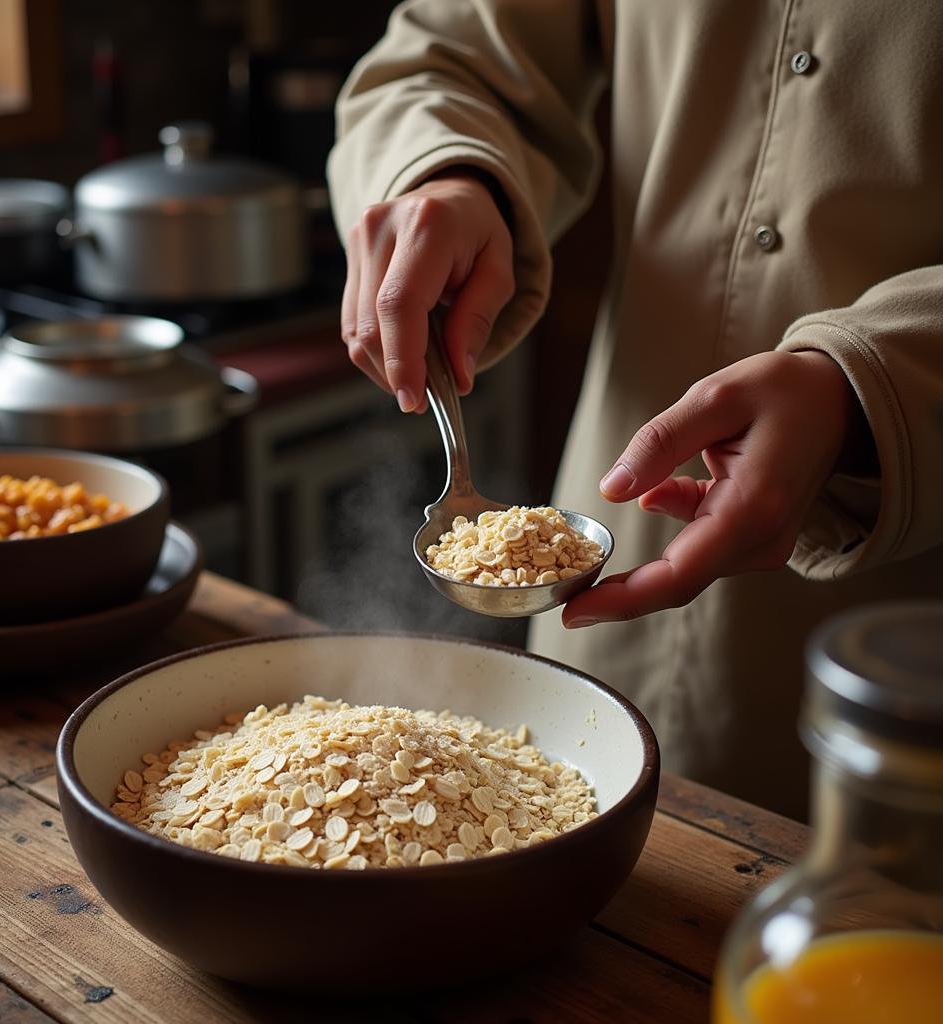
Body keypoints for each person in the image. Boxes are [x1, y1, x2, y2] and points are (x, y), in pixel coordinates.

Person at [326, 0, 943, 819]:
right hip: (608, 588)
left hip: (901, 655)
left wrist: (872, 384)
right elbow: (453, 47)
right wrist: (447, 168)